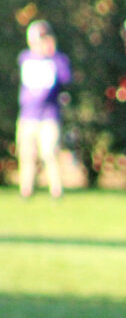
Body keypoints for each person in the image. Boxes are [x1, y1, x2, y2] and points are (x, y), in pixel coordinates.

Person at [17, 20, 71, 199]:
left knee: (49, 153)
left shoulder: (56, 60)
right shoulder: (26, 57)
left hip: (48, 115)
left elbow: (66, 77)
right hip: (28, 114)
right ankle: (26, 191)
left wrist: (53, 54)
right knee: (26, 155)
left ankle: (56, 191)